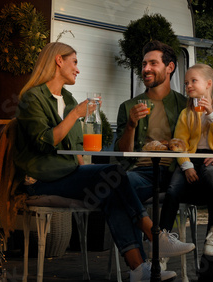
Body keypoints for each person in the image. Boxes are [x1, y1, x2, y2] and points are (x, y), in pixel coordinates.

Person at [14, 42, 191, 281]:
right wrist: (77, 114)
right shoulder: (33, 97)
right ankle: (155, 236)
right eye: (74, 62)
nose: (77, 69)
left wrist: (88, 169)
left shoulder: (66, 97)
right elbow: (43, 142)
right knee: (114, 174)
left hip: (68, 173)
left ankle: (138, 270)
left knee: (110, 190)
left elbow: (76, 146)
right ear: (58, 61)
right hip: (42, 178)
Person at [115, 41, 213, 282]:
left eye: (153, 63)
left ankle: (211, 265)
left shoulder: (187, 102)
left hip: (176, 170)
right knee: (120, 184)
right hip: (146, 172)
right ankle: (148, 263)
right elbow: (120, 152)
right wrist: (131, 124)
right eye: (144, 64)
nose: (146, 69)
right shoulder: (129, 106)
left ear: (170, 67)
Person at [159, 64, 213, 282]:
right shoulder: (186, 113)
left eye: (193, 81)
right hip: (190, 161)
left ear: (209, 84)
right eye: (186, 83)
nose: (188, 86)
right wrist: (186, 165)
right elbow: (179, 143)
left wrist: (211, 113)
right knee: (173, 189)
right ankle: (162, 246)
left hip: (211, 158)